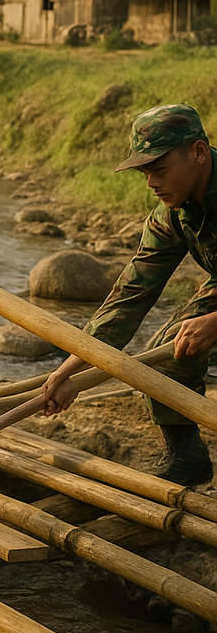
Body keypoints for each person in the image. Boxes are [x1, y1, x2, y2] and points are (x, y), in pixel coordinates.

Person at [43, 104, 217, 486]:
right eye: (145, 173)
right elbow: (131, 294)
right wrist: (71, 370)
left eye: (159, 169)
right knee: (169, 352)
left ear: (199, 152)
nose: (151, 182)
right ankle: (187, 459)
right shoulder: (173, 213)